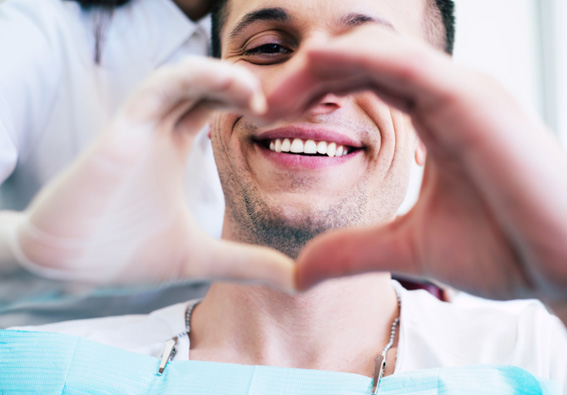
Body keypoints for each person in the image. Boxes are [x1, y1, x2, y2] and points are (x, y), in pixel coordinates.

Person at [2, 0, 567, 392]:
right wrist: (22, 259)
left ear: (426, 125)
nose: (311, 86)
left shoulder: (536, 351)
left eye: (371, 60)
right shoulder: (45, 365)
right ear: (209, 109)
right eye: (269, 47)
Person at [0, 0, 225, 327]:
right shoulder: (33, 29)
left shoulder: (274, 45)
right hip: (42, 347)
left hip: (202, 352)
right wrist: (27, 249)